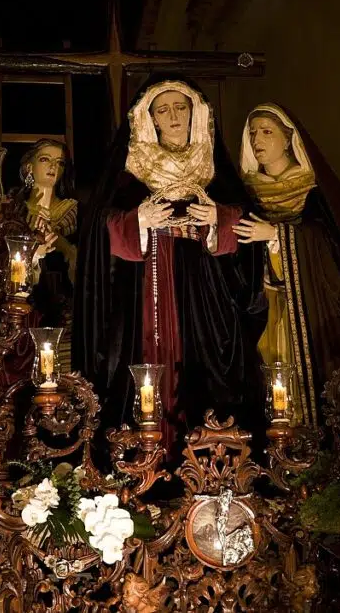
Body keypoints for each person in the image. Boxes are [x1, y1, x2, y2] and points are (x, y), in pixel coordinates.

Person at [74, 76, 267, 449]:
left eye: (182, 107)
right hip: (144, 290)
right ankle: (149, 457)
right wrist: (139, 222)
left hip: (206, 292)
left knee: (211, 370)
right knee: (145, 368)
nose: (174, 115)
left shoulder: (214, 168)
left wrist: (219, 219)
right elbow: (97, 230)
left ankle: (212, 457)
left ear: (196, 113)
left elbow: (248, 229)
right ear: (151, 119)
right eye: (163, 109)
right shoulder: (130, 172)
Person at [233, 103, 340, 426]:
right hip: (265, 311)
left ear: (289, 138)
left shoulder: (316, 192)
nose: (258, 139)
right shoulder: (245, 197)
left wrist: (278, 235)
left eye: (267, 131)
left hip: (313, 311)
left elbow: (336, 249)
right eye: (253, 133)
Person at [13, 139, 78, 374]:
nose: (53, 167)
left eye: (59, 163)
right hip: (24, 308)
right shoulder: (15, 211)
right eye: (45, 160)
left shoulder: (72, 211)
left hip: (64, 306)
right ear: (29, 167)